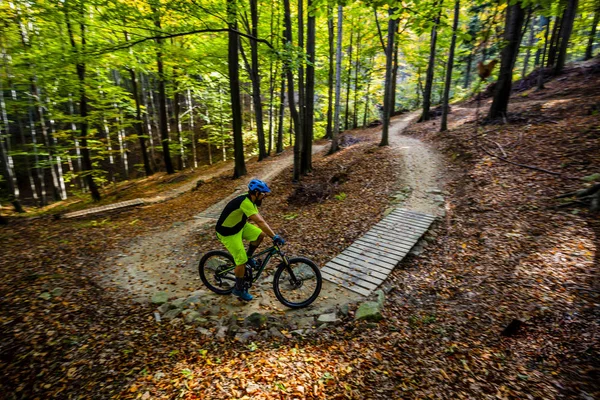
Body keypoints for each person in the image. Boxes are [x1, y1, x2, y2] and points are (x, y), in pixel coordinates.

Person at [215, 179, 285, 301]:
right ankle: (239, 289)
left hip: (239, 226)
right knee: (240, 260)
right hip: (227, 232)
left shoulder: (252, 201)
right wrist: (274, 236)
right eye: (263, 194)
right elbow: (260, 221)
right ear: (256, 193)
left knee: (260, 235)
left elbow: (259, 219)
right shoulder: (245, 202)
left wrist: (270, 234)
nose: (264, 196)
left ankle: (249, 257)